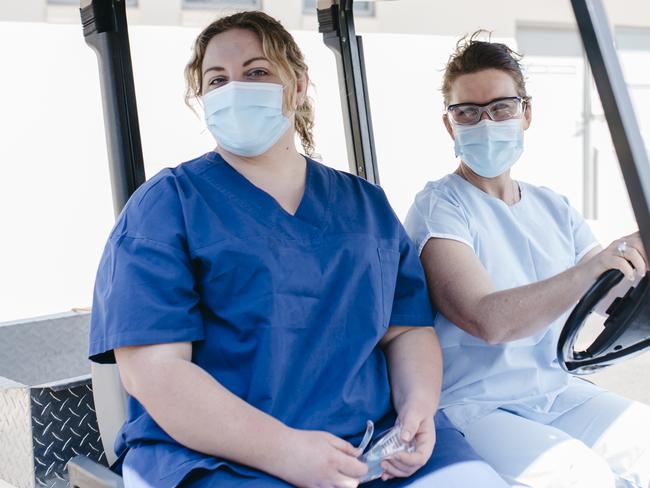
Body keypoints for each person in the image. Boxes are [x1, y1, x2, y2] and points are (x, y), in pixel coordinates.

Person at [89, 13, 508, 488]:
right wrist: (285, 450)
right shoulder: (167, 206)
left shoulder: (364, 205)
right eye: (217, 79)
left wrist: (417, 409)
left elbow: (406, 331)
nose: (236, 88)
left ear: (299, 85)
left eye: (257, 72)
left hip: (372, 446)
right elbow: (155, 373)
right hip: (213, 457)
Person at [404, 31, 650, 488]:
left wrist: (637, 255)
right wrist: (593, 268)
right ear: (449, 124)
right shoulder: (441, 207)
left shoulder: (552, 206)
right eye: (468, 113)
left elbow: (610, 294)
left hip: (554, 391)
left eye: (500, 108)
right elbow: (487, 320)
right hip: (475, 404)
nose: (485, 122)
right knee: (586, 478)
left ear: (525, 113)